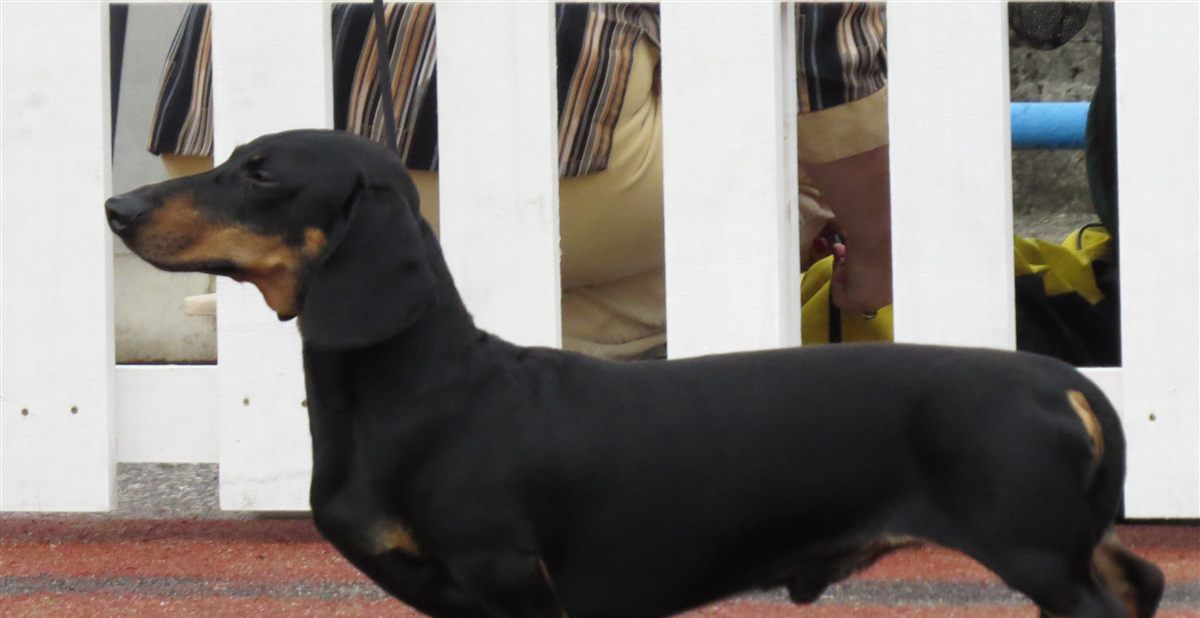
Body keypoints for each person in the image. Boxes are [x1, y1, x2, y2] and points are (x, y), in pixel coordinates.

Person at [148, 3, 893, 358]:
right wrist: (877, 256)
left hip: (223, 153)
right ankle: (557, 356)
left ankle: (350, 317)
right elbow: (830, 65)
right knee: (789, 146)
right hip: (557, 170)